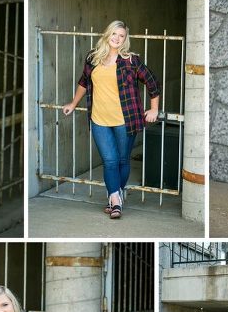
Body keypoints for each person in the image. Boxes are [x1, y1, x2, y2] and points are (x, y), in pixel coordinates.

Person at [63, 20, 160, 219]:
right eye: (114, 34)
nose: (117, 38)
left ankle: (115, 196)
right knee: (110, 160)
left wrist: (154, 109)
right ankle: (116, 200)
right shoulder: (93, 58)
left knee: (123, 160)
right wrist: (73, 103)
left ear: (125, 39)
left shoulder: (131, 61)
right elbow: (84, 81)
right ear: (107, 35)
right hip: (99, 120)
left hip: (125, 120)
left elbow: (152, 82)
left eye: (121, 36)